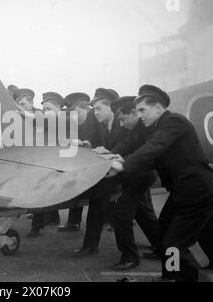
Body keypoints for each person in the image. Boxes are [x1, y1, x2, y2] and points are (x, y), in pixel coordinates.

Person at [109, 84, 213, 281]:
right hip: (186, 191)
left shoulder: (174, 122)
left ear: (159, 108)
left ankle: (190, 278)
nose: (140, 115)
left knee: (172, 244)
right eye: (137, 111)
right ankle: (173, 275)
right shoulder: (158, 127)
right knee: (169, 234)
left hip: (198, 191)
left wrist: (126, 165)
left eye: (143, 110)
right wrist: (122, 160)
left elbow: (155, 147)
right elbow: (153, 157)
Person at [98, 96, 160, 270]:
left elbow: (143, 153)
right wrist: (111, 154)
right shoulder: (134, 128)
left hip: (141, 175)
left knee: (121, 215)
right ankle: (160, 247)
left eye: (124, 119)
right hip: (136, 175)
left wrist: (120, 161)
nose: (122, 124)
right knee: (142, 212)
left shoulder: (147, 128)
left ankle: (130, 257)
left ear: (133, 113)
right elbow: (126, 143)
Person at [72, 88, 124, 257]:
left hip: (127, 171)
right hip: (111, 171)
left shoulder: (122, 124)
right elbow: (100, 146)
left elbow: (127, 148)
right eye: (93, 109)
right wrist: (90, 147)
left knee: (138, 214)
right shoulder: (102, 125)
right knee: (97, 201)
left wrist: (107, 152)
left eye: (99, 109)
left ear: (112, 108)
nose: (95, 113)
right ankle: (90, 246)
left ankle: (156, 246)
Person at [58, 92, 99, 232]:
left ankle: (110, 221)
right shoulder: (77, 123)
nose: (74, 116)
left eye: (77, 112)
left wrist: (90, 146)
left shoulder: (97, 120)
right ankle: (73, 222)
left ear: (86, 108)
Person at [26, 91, 63, 237]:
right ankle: (41, 222)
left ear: (59, 107)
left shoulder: (65, 120)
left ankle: (37, 225)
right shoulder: (50, 120)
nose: (46, 112)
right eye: (45, 109)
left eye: (49, 109)